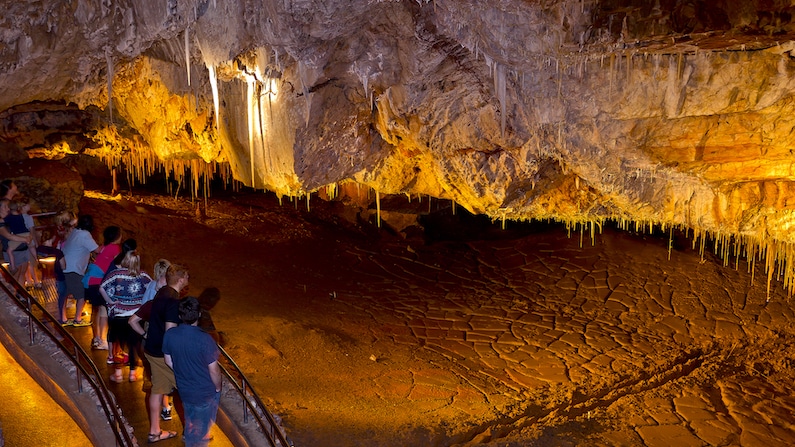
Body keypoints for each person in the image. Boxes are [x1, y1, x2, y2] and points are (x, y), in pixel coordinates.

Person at [134, 264, 189, 443]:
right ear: (181, 280)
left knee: (157, 390)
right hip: (163, 354)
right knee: (187, 391)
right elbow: (170, 332)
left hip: (151, 348)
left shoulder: (161, 292)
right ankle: (192, 433)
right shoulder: (174, 301)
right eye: (187, 277)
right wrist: (174, 357)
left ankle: (154, 432)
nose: (188, 280)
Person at [163, 296, 221, 447]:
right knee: (199, 431)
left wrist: (183, 371)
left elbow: (168, 360)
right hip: (204, 390)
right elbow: (214, 370)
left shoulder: (170, 335)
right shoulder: (205, 340)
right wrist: (218, 387)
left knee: (190, 417)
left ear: (180, 315)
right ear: (199, 315)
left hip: (184, 388)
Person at [100, 249, 151, 382]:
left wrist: (111, 302)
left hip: (119, 315)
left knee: (118, 345)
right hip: (136, 316)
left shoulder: (116, 274)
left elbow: (102, 288)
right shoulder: (144, 275)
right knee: (134, 344)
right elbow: (152, 287)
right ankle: (133, 374)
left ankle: (118, 375)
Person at [85, 226, 122, 350]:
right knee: (104, 312)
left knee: (97, 310)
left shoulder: (104, 247)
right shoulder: (116, 248)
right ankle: (103, 341)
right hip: (99, 282)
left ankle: (97, 338)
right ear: (117, 237)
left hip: (91, 281)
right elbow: (120, 265)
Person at [61, 215, 98, 327]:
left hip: (65, 266)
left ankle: (63, 318)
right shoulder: (84, 235)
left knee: (64, 294)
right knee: (81, 295)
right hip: (74, 269)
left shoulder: (75, 231)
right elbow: (96, 249)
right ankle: (77, 319)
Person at [37, 227, 67, 324]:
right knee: (59, 304)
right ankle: (57, 325)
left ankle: (46, 321)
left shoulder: (39, 249)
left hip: (45, 279)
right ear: (53, 237)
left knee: (48, 302)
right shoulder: (57, 252)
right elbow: (64, 266)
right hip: (58, 279)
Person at [0, 199, 33, 284]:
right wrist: (26, 239)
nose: (8, 209)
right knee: (15, 276)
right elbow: (9, 236)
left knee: (22, 273)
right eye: (5, 206)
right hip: (14, 252)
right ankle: (14, 295)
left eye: (8, 206)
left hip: (23, 248)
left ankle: (20, 295)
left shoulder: (12, 217)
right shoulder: (2, 222)